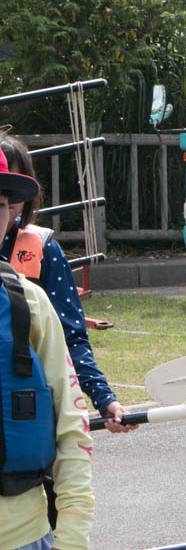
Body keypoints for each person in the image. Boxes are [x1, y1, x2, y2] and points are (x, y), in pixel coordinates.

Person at [0, 148, 94, 550]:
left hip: (24, 537)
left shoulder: (30, 304)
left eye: (0, 204)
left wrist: (71, 539)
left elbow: (72, 426)